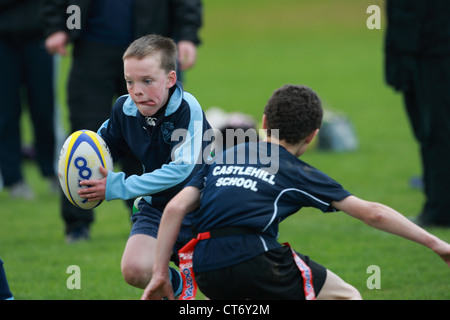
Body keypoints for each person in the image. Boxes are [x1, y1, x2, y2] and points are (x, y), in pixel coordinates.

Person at [141, 84, 450, 300]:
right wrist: (437, 244)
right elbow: (374, 213)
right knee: (346, 296)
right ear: (313, 136)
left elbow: (174, 209)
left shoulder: (225, 155)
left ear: (264, 122)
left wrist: (158, 274)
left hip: (204, 264)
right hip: (254, 258)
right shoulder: (295, 170)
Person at [40, 0, 203, 242]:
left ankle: (143, 216)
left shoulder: (187, 106)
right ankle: (77, 224)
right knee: (85, 138)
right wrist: (58, 25)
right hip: (92, 44)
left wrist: (188, 34)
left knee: (147, 134)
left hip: (149, 46)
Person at [77, 34, 212, 295]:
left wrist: (119, 186)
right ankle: (180, 285)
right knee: (135, 269)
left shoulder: (187, 109)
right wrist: (78, 170)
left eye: (147, 81)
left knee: (229, 281)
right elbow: (101, 148)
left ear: (170, 79)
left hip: (203, 207)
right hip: (157, 207)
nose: (137, 91)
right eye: (130, 81)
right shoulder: (124, 110)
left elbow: (182, 169)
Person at [384, 0, 450, 227]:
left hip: (437, 51)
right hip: (409, 50)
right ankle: (435, 202)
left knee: (438, 131)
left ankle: (441, 209)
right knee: (426, 132)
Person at [0, 0, 57, 200]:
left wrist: (70, 30)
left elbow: (71, 7)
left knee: (44, 108)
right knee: (7, 112)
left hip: (39, 38)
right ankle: (13, 179)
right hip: (3, 40)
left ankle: (51, 171)